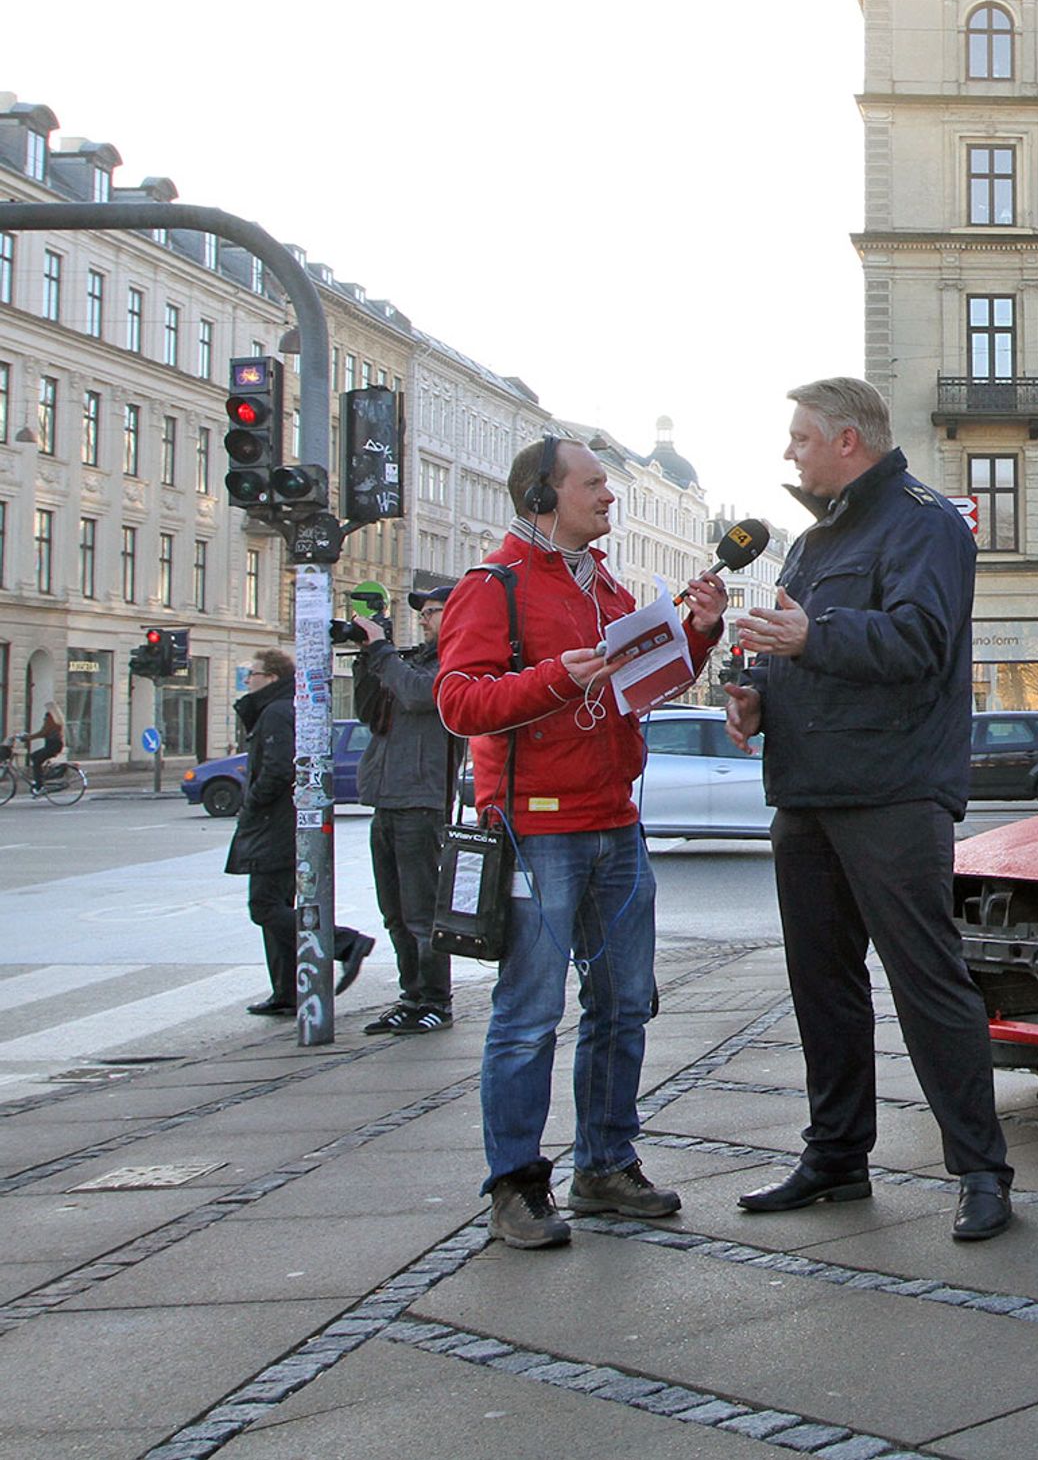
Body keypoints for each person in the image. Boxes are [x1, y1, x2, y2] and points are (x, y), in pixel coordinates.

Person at [724, 376, 1014, 1241]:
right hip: (808, 789)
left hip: (892, 790)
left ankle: (981, 1171)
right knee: (823, 988)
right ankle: (836, 1158)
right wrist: (757, 697)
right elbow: (801, 651)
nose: (788, 452)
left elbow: (922, 644)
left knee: (927, 983)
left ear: (847, 440)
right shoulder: (814, 541)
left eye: (800, 438)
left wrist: (811, 637)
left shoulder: (925, 521)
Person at [435, 436, 727, 1250]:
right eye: (593, 484)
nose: (608, 497)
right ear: (542, 496)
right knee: (529, 1015)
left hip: (613, 823)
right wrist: (561, 676)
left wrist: (697, 636)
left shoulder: (603, 584)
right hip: (537, 828)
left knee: (625, 1004)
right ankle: (517, 1186)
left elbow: (641, 684)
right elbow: (458, 702)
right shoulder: (492, 587)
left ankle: (604, 1164)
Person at [226, 651, 374, 1017]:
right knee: (276, 904)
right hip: (282, 822)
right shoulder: (282, 707)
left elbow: (277, 769)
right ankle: (286, 990)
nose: (249, 680)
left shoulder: (275, 712)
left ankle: (345, 942)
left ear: (272, 677)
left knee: (264, 907)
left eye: (253, 674)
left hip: (272, 823)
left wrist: (252, 803)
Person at [353, 585, 463, 1035]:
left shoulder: (457, 662)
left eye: (432, 612)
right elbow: (366, 710)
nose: (423, 619)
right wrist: (367, 658)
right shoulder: (412, 659)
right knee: (395, 912)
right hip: (387, 796)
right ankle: (411, 996)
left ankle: (436, 1000)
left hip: (421, 798)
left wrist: (381, 651)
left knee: (421, 914)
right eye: (422, 613)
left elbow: (421, 696)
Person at [23, 707, 66, 789]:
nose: (44, 719)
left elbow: (43, 733)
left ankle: (39, 785)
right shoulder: (56, 720)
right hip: (54, 745)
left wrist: (29, 737)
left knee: (36, 762)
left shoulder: (51, 721)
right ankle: (40, 776)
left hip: (52, 746)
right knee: (33, 756)